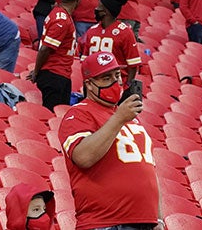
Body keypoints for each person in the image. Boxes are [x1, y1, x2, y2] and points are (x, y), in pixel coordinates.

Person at [58, 52, 160, 229]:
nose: (116, 82)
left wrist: (158, 218)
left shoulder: (131, 118)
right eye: (106, 78)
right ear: (89, 85)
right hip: (105, 222)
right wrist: (118, 118)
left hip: (144, 221)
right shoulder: (78, 113)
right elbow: (83, 157)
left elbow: (150, 169)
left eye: (117, 75)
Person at [29, 0, 80, 110]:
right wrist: (36, 71)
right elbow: (45, 48)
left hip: (61, 74)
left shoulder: (60, 14)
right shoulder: (62, 20)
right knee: (52, 114)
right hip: (54, 74)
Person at [81, 0, 140, 82]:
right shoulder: (92, 31)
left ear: (106, 11)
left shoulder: (125, 32)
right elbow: (85, 60)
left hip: (116, 82)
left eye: (99, 6)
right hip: (95, 82)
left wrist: (128, 85)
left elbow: (133, 64)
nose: (96, 9)